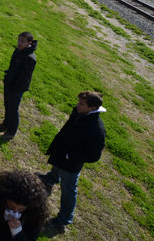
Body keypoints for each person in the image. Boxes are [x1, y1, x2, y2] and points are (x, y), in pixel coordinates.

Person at [37, 91, 106, 228]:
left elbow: (94, 155)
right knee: (56, 166)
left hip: (71, 163)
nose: (77, 105)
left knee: (68, 191)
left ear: (92, 108)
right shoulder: (81, 113)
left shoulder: (97, 129)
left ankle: (64, 218)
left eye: (81, 104)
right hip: (62, 153)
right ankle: (51, 178)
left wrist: (70, 156)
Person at [0, 32, 38, 140]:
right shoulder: (18, 51)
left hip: (17, 88)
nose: (20, 43)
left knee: (13, 109)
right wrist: (7, 78)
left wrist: (14, 88)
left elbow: (24, 78)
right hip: (9, 83)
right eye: (19, 40)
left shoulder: (30, 58)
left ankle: (11, 132)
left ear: (29, 43)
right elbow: (12, 65)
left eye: (23, 41)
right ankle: (5, 124)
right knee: (7, 105)